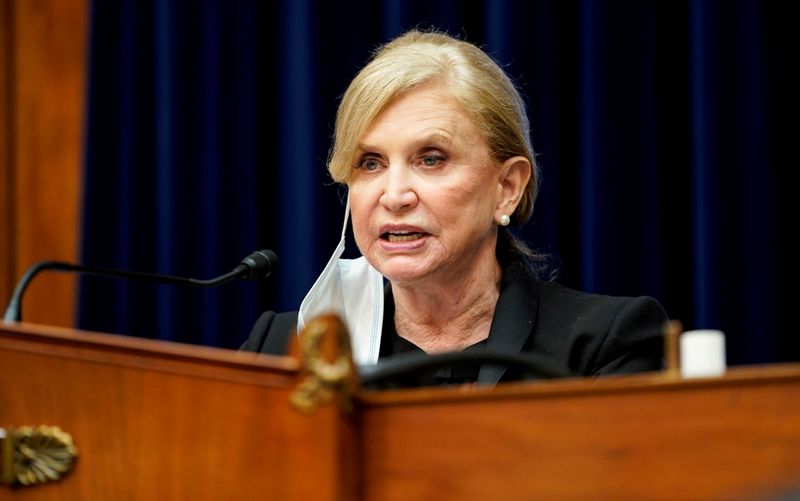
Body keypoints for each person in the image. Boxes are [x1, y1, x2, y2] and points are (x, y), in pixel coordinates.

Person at [241, 29, 667, 386]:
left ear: (507, 188)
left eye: (431, 159)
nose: (394, 196)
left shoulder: (598, 346)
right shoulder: (283, 347)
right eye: (370, 163)